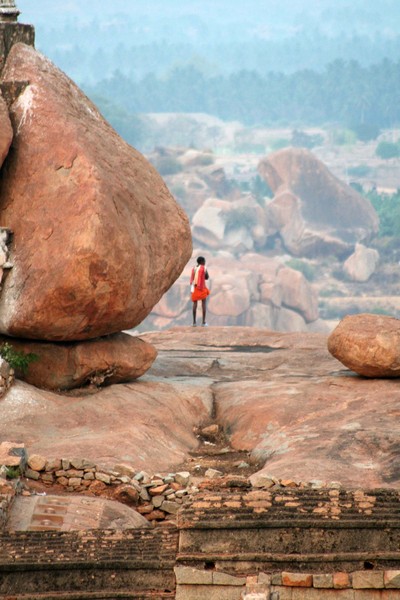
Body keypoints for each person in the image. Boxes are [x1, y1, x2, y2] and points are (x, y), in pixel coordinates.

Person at [190, 256, 210, 326]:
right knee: (203, 303)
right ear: (202, 262)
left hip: (194, 287)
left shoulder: (194, 268)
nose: (205, 263)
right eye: (204, 261)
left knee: (195, 304)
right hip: (201, 288)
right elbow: (207, 277)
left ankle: (194, 322)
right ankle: (203, 322)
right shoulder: (203, 268)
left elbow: (192, 278)